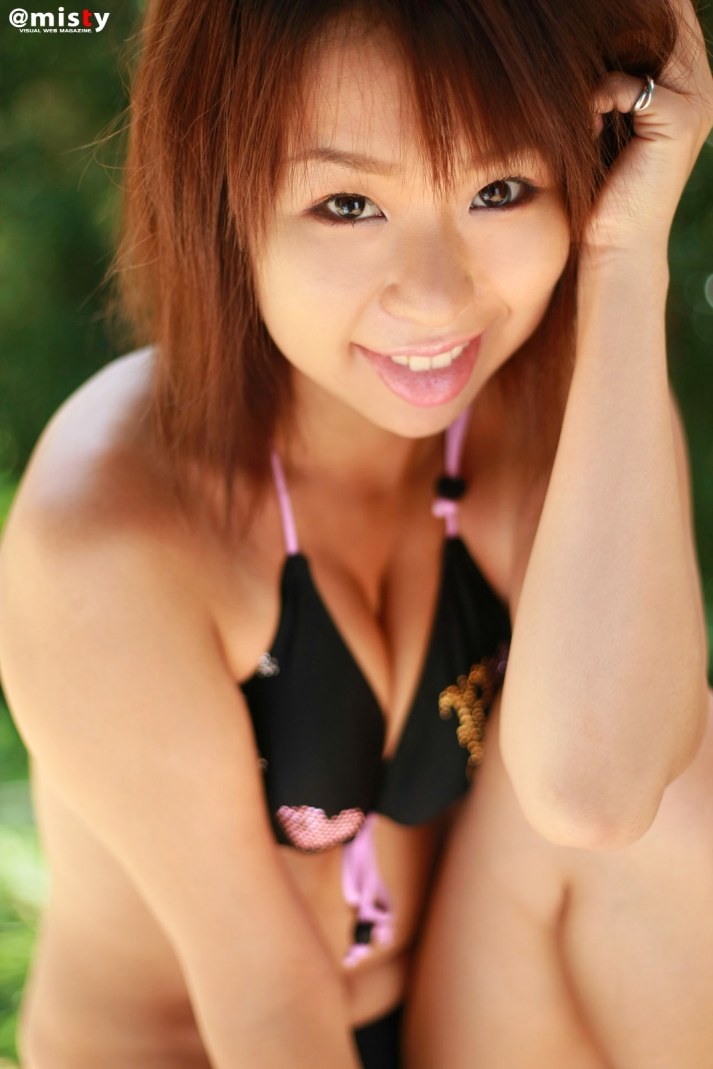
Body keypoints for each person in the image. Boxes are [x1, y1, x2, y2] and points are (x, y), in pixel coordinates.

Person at [0, 0, 712, 1065]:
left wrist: (625, 253)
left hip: (448, 1009)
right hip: (214, 1043)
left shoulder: (552, 417)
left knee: (685, 782)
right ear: (221, 199)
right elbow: (267, 1005)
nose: (434, 298)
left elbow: (602, 795)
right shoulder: (111, 529)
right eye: (346, 204)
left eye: (499, 190)